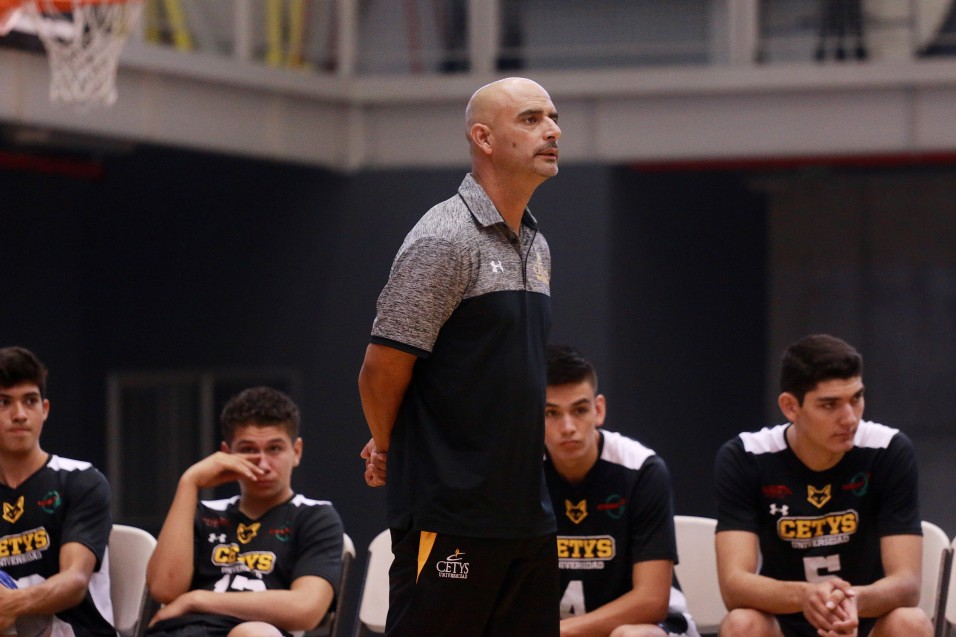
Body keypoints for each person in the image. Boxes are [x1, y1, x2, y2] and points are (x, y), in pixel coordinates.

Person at [358, 76, 562, 637]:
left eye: (551, 116)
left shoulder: (535, 244)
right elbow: (381, 369)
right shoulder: (443, 239)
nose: (552, 129)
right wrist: (391, 445)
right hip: (451, 516)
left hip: (527, 516)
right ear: (484, 138)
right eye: (530, 118)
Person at [714, 334, 934, 637]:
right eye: (830, 405)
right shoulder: (746, 456)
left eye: (856, 398)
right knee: (741, 624)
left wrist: (852, 601)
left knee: (911, 623)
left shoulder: (888, 450)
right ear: (791, 407)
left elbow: (907, 584)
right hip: (785, 620)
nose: (849, 419)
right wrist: (807, 597)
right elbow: (734, 586)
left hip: (863, 620)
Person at [146, 386, 343, 637]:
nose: (262, 463)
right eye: (249, 450)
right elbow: (164, 590)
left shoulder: (315, 517)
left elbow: (306, 609)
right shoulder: (202, 512)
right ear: (227, 454)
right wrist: (189, 483)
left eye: (274, 448)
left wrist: (196, 600)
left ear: (296, 452)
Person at [544, 345, 700, 637]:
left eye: (579, 410)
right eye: (551, 413)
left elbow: (652, 602)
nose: (567, 427)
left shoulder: (642, 470)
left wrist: (559, 631)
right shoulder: (521, 474)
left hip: (647, 628)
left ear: (598, 409)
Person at [0, 345, 116, 637]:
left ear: (45, 410)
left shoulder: (81, 480)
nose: (19, 415)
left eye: (30, 401)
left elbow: (74, 582)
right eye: (4, 402)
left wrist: (9, 604)